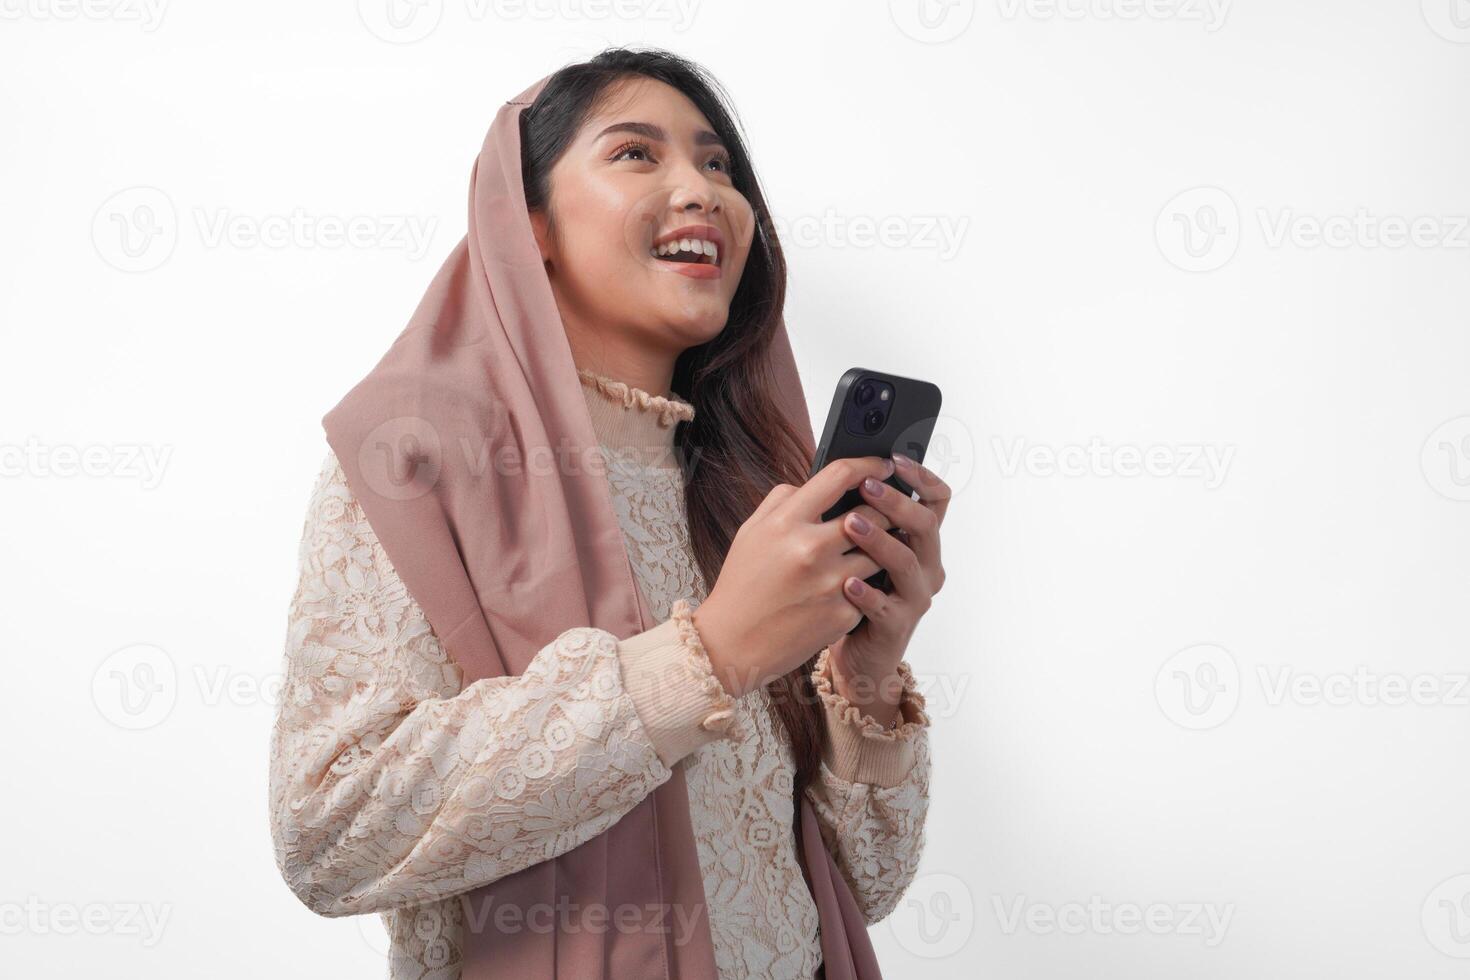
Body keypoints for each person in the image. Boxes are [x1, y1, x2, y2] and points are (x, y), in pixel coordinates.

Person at [268, 47, 950, 980]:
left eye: (719, 166)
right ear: (529, 222)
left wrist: (865, 680)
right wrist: (707, 657)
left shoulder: (756, 496)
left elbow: (859, 888)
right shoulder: (416, 458)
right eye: (637, 154)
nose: (702, 191)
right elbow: (330, 830)